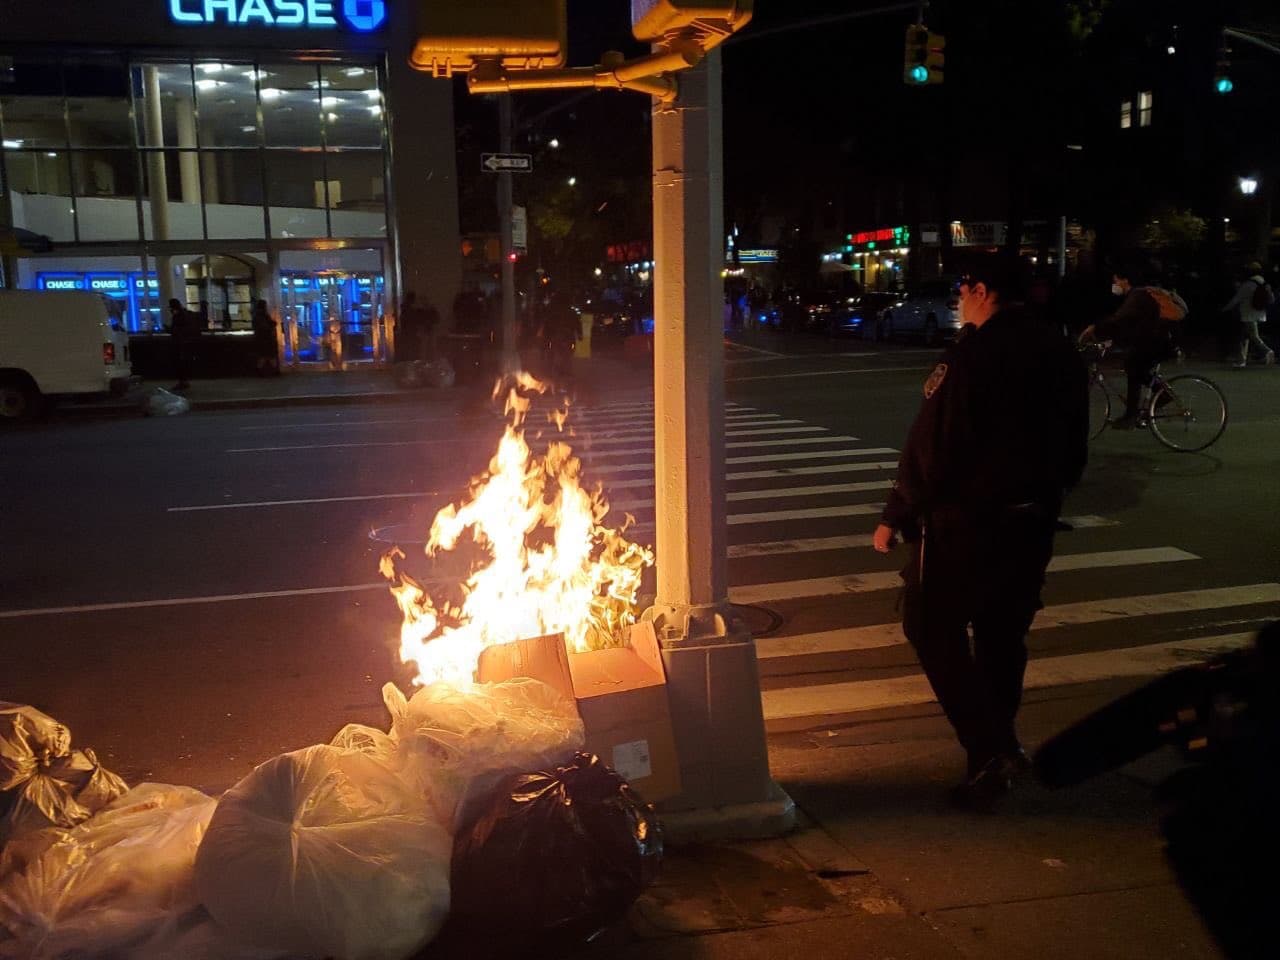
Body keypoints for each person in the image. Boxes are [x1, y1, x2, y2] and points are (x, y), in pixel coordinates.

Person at [873, 262, 1089, 809]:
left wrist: (898, 510)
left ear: (983, 293)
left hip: (967, 522)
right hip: (1032, 519)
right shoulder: (1058, 350)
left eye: (963, 292)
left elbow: (934, 443)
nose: (959, 302)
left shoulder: (970, 355)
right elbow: (1075, 443)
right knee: (1001, 635)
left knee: (929, 624)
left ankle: (988, 748)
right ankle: (1000, 750)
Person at [1078, 266, 1180, 429]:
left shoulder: (1137, 295)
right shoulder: (1138, 295)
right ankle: (1155, 399)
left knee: (1133, 366)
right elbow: (1128, 324)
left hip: (1157, 343)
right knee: (1135, 367)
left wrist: (1094, 328)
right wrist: (1110, 338)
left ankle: (1132, 415)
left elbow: (1119, 319)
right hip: (1156, 341)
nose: (1114, 284)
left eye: (1116, 280)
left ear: (1125, 280)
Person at [1220, 262, 1274, 369]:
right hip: (1261, 314)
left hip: (1248, 314)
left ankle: (1267, 351)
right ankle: (1242, 360)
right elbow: (1271, 299)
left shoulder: (1248, 284)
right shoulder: (1264, 283)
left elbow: (1236, 299)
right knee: (1245, 337)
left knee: (1252, 336)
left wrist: (1224, 309)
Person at [167, 297, 201, 391]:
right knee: (183, 363)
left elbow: (177, 330)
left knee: (180, 363)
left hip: (180, 344)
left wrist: (170, 330)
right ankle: (184, 381)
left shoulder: (178, 316)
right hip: (186, 343)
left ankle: (183, 382)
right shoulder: (187, 314)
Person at [251, 299, 280, 376]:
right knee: (270, 356)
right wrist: (272, 324)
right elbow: (269, 325)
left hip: (260, 339)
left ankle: (259, 371)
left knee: (263, 356)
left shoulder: (256, 315)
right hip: (266, 338)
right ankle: (275, 371)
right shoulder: (263, 315)